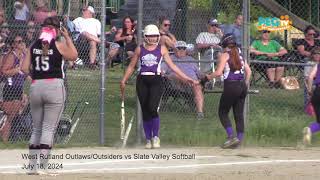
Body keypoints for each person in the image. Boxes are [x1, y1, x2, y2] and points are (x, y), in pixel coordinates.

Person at [120, 24, 197, 149]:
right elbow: (131, 66)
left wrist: (186, 78)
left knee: (152, 107)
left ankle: (155, 136)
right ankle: (148, 139)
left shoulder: (162, 49)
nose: (153, 38)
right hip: (142, 80)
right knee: (145, 110)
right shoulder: (140, 49)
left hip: (156, 80)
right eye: (150, 36)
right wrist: (124, 80)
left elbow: (173, 66)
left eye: (155, 36)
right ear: (145, 37)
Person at [21, 16, 78, 174]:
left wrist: (37, 76)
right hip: (53, 86)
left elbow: (25, 68)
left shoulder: (33, 45)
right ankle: (42, 166)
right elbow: (74, 56)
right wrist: (67, 37)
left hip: (36, 86)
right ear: (57, 30)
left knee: (36, 129)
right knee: (48, 129)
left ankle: (32, 167)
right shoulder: (58, 44)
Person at [204, 33, 251, 148]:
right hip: (242, 86)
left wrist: (206, 78)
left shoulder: (225, 55)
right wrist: (245, 84)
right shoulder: (240, 54)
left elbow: (218, 72)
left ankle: (231, 137)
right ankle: (238, 141)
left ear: (224, 44)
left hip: (231, 86)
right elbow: (249, 72)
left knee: (223, 112)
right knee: (239, 115)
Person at [162, 41, 204, 119]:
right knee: (175, 75)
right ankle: (190, 82)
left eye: (184, 48)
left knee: (197, 86)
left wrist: (206, 78)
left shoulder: (191, 59)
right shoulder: (169, 58)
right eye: (179, 48)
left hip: (192, 85)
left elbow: (200, 74)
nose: (181, 50)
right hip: (175, 84)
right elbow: (163, 72)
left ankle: (200, 112)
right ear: (174, 49)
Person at [0, 34, 29, 143]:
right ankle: (5, 141)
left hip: (18, 89)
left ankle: (9, 139)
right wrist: (16, 70)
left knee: (13, 115)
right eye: (18, 42)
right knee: (9, 116)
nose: (21, 44)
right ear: (13, 45)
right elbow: (4, 71)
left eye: (22, 41)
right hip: (9, 87)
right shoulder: (11, 56)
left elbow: (24, 76)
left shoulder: (23, 57)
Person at [303, 47, 320, 145]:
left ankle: (310, 129)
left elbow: (310, 77)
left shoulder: (317, 65)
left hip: (317, 92)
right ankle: (310, 129)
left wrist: (309, 91)